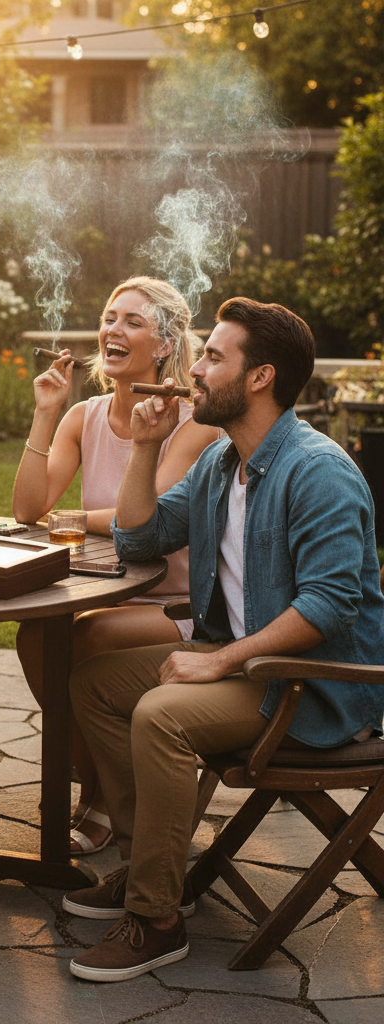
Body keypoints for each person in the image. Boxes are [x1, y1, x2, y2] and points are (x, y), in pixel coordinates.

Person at [63, 297, 384, 983]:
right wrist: (146, 447)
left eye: (213, 356)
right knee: (93, 685)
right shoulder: (218, 464)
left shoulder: (316, 470)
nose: (196, 369)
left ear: (261, 376)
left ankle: (156, 919)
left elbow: (330, 603)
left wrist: (222, 663)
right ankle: (151, 866)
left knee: (160, 713)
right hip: (251, 666)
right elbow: (139, 536)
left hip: (315, 684)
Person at [13, 278, 219, 855]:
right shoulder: (85, 415)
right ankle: (96, 776)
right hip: (108, 587)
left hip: (175, 603)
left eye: (132, 321)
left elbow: (144, 520)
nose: (112, 330)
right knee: (36, 634)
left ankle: (105, 797)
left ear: (165, 344)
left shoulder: (191, 419)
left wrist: (73, 517)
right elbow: (29, 508)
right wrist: (45, 413)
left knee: (91, 635)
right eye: (109, 318)